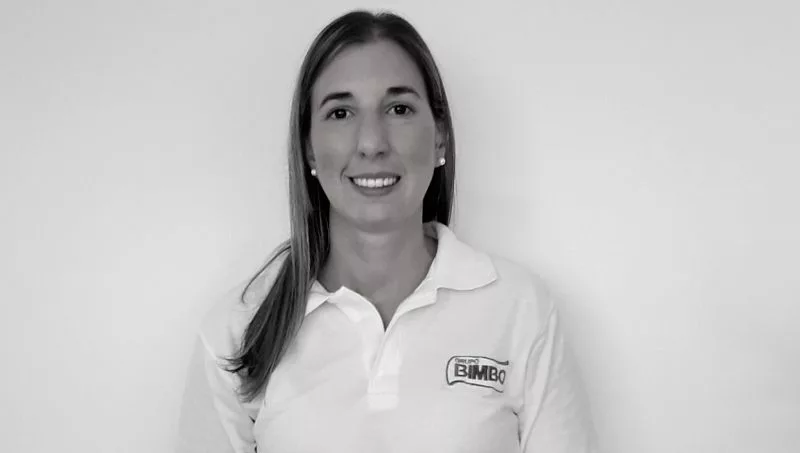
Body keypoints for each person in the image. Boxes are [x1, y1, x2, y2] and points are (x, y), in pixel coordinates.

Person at [177, 9, 597, 453]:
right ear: (309, 149)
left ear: (439, 136)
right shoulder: (239, 329)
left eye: (399, 109)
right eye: (341, 112)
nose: (372, 143)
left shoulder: (520, 310)